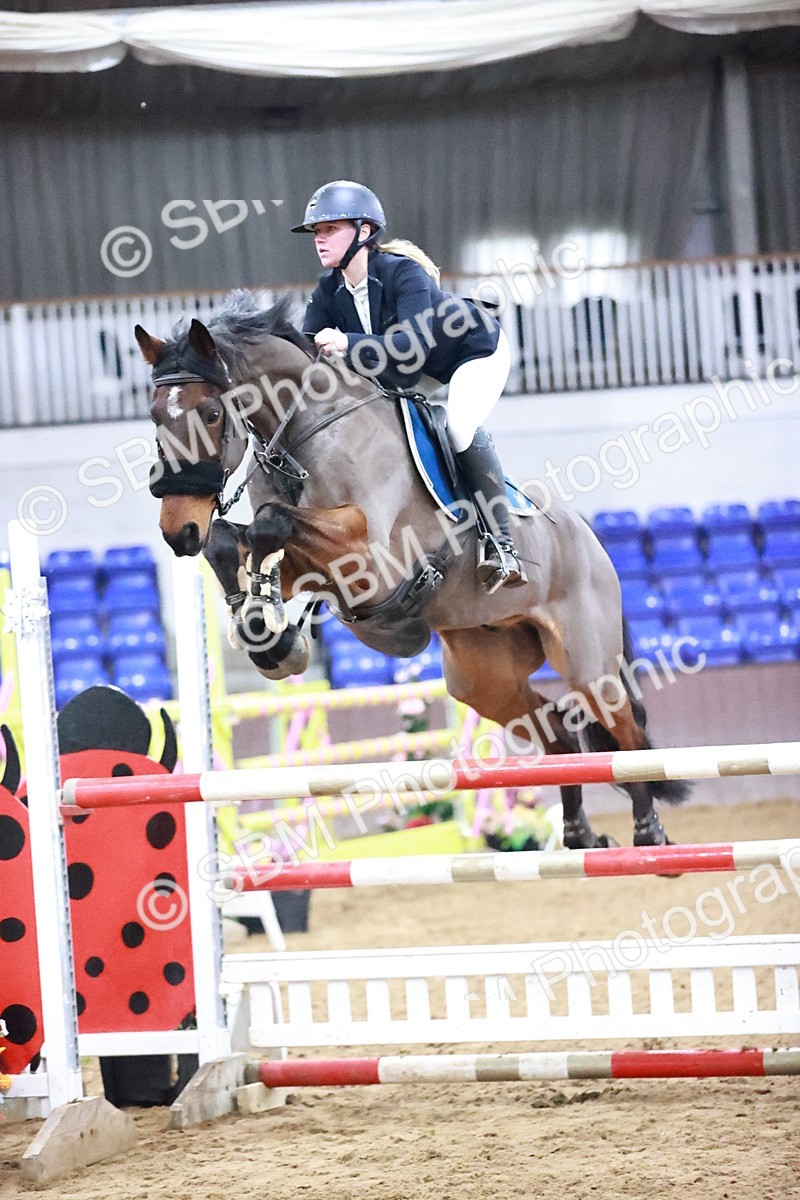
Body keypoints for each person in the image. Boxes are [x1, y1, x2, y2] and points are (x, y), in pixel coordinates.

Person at [292, 179, 527, 593]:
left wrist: (347, 342)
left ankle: (502, 545)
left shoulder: (404, 274)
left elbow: (410, 349)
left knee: (457, 426)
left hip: (473, 352)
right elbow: (306, 352)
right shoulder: (328, 290)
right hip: (408, 370)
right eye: (317, 231)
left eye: (330, 228)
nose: (320, 239)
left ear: (364, 232)